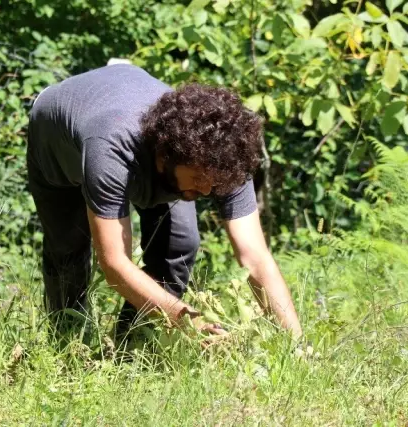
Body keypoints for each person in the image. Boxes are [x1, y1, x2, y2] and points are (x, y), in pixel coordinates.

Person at [26, 63, 302, 343]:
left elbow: (255, 258)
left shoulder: (225, 157)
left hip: (140, 141)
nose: (207, 190)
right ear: (168, 155)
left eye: (214, 182)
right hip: (55, 142)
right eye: (198, 178)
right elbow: (114, 264)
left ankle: (132, 349)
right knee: (68, 251)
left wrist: (296, 347)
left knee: (179, 245)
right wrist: (190, 322)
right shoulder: (112, 145)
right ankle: (68, 344)